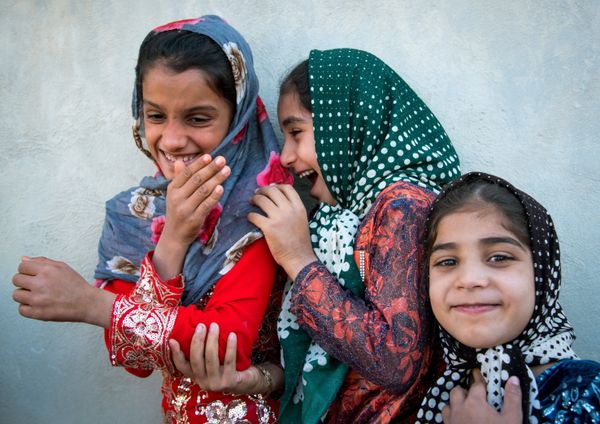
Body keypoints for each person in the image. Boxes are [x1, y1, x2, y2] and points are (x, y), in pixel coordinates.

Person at [11, 15, 292, 423]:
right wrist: (174, 237)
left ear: (239, 119)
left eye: (198, 118)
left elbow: (225, 345)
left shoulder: (263, 209)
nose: (173, 140)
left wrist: (94, 305)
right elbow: (135, 360)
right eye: (156, 116)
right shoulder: (131, 216)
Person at [176, 48, 461, 423]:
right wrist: (252, 380)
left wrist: (298, 258)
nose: (287, 157)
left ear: (346, 123)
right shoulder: (338, 217)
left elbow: (394, 361)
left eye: (296, 133)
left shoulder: (404, 205)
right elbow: (325, 360)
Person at [416, 172, 600, 423]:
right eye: (447, 261)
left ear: (542, 274)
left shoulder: (589, 392)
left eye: (499, 257)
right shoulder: (436, 389)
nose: (469, 279)